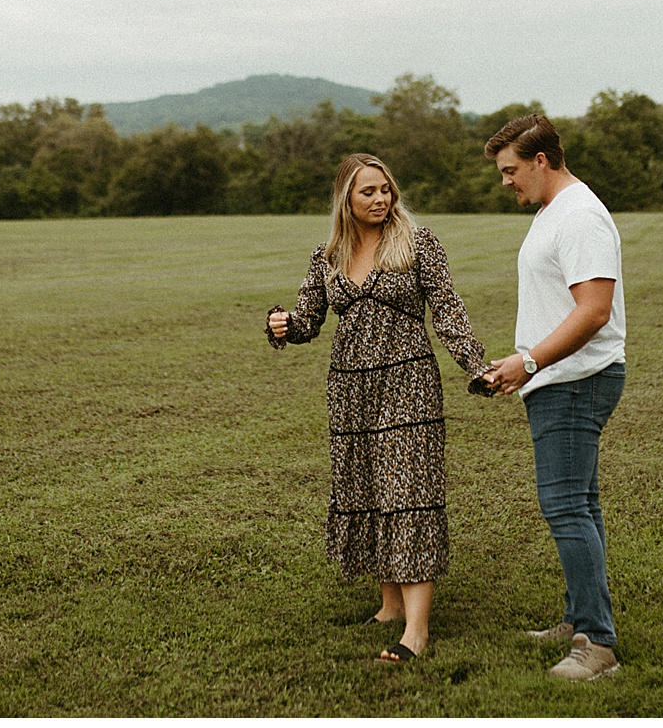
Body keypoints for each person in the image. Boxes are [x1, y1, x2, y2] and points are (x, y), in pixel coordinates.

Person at [266, 153, 491, 664]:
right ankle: (389, 606)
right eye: (367, 192)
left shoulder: (417, 242)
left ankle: (416, 631)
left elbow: (448, 309)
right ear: (346, 197)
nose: (380, 199)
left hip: (408, 384)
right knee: (369, 487)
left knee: (408, 491)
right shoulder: (327, 254)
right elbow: (306, 321)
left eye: (385, 189)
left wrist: (474, 365)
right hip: (350, 389)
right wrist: (281, 323)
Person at [478, 113, 626, 681]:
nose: (506, 181)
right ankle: (579, 617)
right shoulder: (552, 211)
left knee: (565, 507)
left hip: (575, 381)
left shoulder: (581, 215)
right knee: (580, 505)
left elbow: (593, 310)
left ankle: (598, 644)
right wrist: (522, 364)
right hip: (557, 379)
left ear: (542, 161)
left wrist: (530, 360)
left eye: (511, 170)